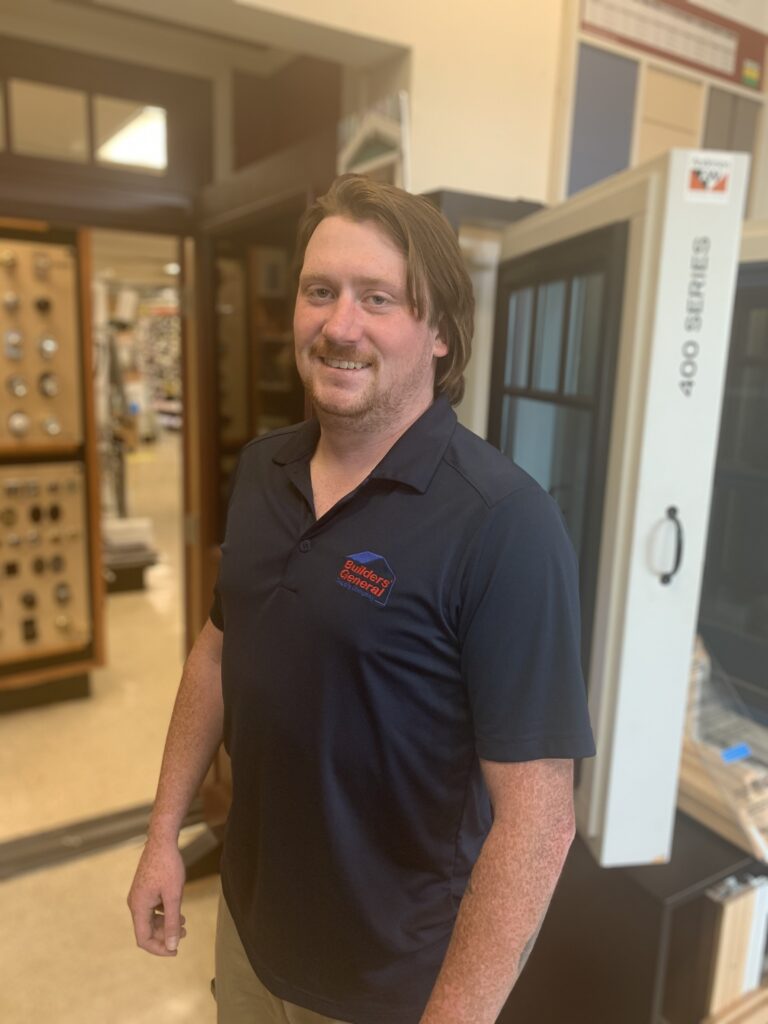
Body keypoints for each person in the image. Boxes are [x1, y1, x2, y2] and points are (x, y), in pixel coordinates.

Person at [127, 174, 595, 1024]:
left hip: (392, 986)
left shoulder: (504, 525)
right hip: (249, 932)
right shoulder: (261, 471)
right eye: (321, 292)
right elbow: (217, 650)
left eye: (378, 298)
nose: (340, 325)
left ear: (442, 333)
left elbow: (539, 820)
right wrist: (166, 831)